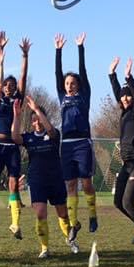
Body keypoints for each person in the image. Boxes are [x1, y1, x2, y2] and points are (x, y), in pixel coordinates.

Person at [11, 95, 74, 257]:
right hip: (37, 180)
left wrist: (37, 110)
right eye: (33, 120)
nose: (37, 122)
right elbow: (15, 137)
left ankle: (70, 239)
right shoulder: (29, 138)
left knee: (63, 214)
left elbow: (51, 131)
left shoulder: (54, 134)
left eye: (38, 119)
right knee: (40, 214)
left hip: (55, 179)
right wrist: (17, 116)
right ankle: (44, 248)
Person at [0, 32, 30, 240]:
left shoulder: (17, 100)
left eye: (12, 86)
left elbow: (23, 77)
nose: (9, 87)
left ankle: (15, 224)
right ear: (1, 88)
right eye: (6, 85)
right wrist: (1, 51)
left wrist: (25, 56)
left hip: (12, 147)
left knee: (13, 185)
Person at [55, 32, 97, 247]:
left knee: (86, 183)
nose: (70, 85)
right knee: (70, 185)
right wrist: (58, 51)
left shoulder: (84, 95)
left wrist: (80, 48)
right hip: (67, 145)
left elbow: (83, 71)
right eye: (67, 83)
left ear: (78, 85)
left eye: (73, 83)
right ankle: (73, 224)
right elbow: (57, 73)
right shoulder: (62, 96)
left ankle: (92, 214)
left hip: (83, 143)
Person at [108, 56, 134, 244]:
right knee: (118, 202)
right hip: (127, 164)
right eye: (123, 96)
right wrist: (112, 74)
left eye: (128, 95)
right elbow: (119, 93)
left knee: (127, 202)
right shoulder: (124, 113)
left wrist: (129, 78)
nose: (125, 98)